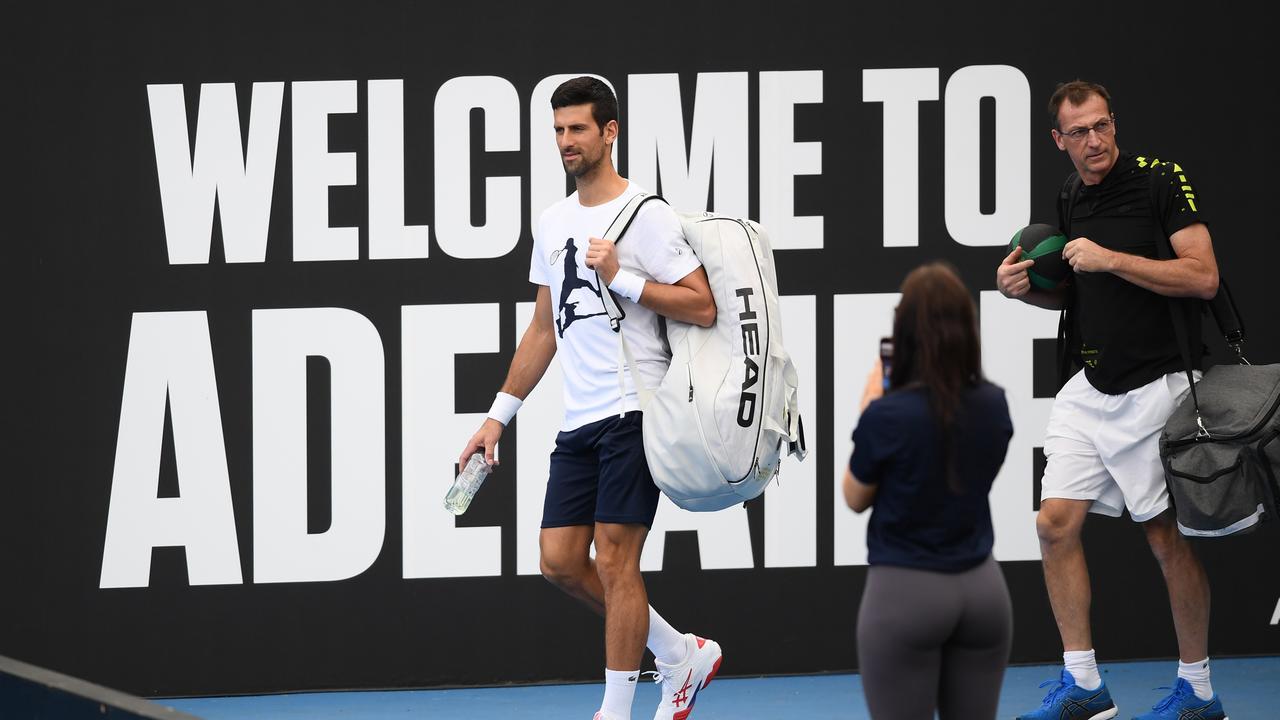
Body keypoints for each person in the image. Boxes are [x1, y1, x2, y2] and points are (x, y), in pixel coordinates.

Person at [458, 77, 721, 720]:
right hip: (580, 421)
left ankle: (614, 711)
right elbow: (544, 327)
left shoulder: (648, 215)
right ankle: (680, 652)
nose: (565, 141)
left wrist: (624, 277)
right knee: (560, 562)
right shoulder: (551, 222)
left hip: (637, 409)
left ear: (610, 132)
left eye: (577, 128)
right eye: (557, 130)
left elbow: (703, 304)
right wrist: (497, 418)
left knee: (615, 556)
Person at [997, 80, 1228, 720]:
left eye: (1102, 126)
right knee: (1053, 524)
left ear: (1112, 124)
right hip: (1089, 387)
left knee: (1163, 539)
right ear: (1058, 140)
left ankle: (1199, 692)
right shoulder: (1070, 196)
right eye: (1079, 132)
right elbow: (1079, 291)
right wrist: (1024, 290)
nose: (1094, 140)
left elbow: (1203, 277)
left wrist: (1110, 258)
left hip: (1158, 385)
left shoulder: (1160, 180)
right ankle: (1086, 687)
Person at [844, 262, 1014, 720]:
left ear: (905, 333)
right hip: (984, 593)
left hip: (904, 594)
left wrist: (870, 411)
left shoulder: (887, 416)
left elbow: (855, 496)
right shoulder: (994, 404)